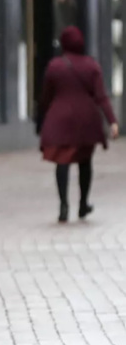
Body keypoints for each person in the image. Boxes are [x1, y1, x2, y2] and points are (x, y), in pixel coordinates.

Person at [38, 25, 119, 223]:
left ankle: (64, 205)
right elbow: (101, 97)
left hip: (60, 120)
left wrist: (41, 119)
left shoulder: (55, 66)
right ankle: (83, 203)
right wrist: (112, 121)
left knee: (62, 162)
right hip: (86, 121)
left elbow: (46, 97)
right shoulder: (91, 66)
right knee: (85, 162)